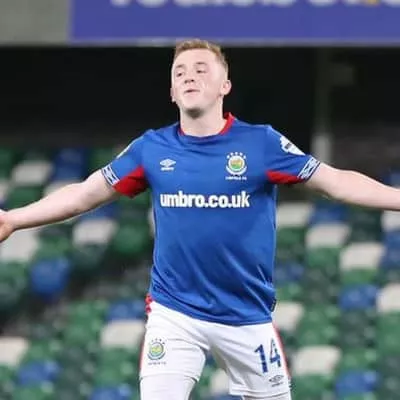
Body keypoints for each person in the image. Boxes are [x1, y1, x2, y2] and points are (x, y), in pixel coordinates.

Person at [0, 39, 399, 400]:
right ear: (172, 92)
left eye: (201, 69)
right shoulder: (151, 148)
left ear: (225, 86)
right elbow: (84, 194)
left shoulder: (260, 143)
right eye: (180, 73)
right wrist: (14, 218)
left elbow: (336, 182)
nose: (189, 76)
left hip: (246, 315)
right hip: (175, 313)